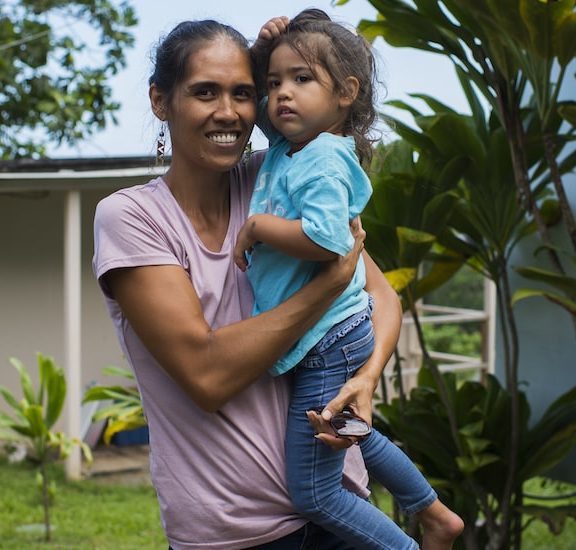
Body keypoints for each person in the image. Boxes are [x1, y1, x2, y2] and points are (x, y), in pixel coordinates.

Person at [91, 16, 450, 550]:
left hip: (339, 507)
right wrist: (325, 288)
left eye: (243, 93)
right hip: (235, 532)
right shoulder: (132, 218)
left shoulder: (277, 178)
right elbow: (207, 377)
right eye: (204, 92)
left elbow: (380, 297)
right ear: (161, 101)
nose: (228, 111)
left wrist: (369, 377)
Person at [233, 10, 464, 550]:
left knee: (315, 494)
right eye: (274, 83)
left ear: (346, 94)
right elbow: (269, 122)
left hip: (328, 340)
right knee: (346, 433)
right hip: (329, 335)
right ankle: (434, 513)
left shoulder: (323, 161)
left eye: (302, 79)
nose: (282, 94)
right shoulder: (297, 149)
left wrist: (259, 226)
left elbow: (329, 241)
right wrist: (263, 49)